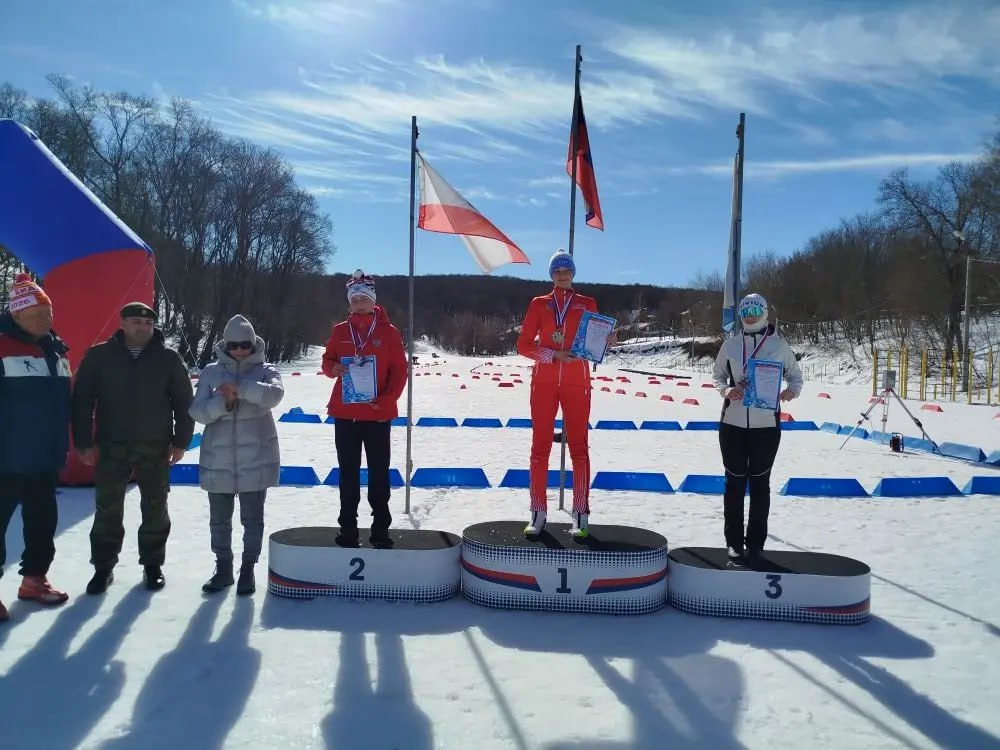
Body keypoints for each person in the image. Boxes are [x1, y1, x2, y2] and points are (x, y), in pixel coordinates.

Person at [72, 301, 195, 593]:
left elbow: (183, 402)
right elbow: (82, 401)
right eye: (136, 322)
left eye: (148, 324)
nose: (143, 328)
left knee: (155, 507)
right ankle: (103, 567)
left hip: (155, 445)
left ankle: (152, 565)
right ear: (123, 324)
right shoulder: (100, 356)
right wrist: (83, 442)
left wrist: (181, 442)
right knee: (107, 508)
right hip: (111, 444)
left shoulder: (167, 358)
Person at [516, 250, 615, 539]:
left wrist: (607, 342)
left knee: (579, 448)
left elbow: (595, 345)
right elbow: (522, 345)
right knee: (540, 448)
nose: (562, 274)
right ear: (551, 274)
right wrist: (553, 355)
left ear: (573, 272)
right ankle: (537, 511)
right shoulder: (539, 304)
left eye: (566, 269)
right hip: (544, 383)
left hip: (577, 383)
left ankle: (580, 513)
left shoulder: (587, 303)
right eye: (557, 270)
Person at [190, 315, 283, 595]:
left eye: (246, 344)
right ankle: (223, 568)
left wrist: (241, 390)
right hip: (218, 461)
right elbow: (196, 411)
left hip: (256, 459)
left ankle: (248, 569)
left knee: (252, 520)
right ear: (225, 344)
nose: (240, 350)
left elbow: (274, 396)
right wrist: (223, 402)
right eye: (234, 345)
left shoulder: (267, 369)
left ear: (254, 344)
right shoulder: (210, 372)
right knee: (219, 520)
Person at [0, 274, 72, 620]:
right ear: (17, 315)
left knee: (43, 521)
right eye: (38, 313)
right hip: (6, 457)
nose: (47, 318)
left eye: (49, 312)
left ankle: (34, 579)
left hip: (45, 456)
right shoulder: (2, 346)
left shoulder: (57, 349)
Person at [712, 293, 802, 565]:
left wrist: (791, 391)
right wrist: (727, 390)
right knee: (734, 483)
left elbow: (795, 375)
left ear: (764, 312)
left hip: (766, 425)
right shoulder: (730, 344)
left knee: (761, 484)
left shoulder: (778, 343)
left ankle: (756, 545)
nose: (750, 315)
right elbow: (717, 376)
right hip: (733, 423)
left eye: (755, 310)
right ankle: (734, 544)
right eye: (745, 310)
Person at [322, 271, 407, 549]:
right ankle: (347, 529)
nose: (359, 302)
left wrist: (387, 400)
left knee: (379, 474)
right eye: (354, 298)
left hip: (377, 415)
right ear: (349, 302)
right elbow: (327, 361)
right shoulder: (339, 331)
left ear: (373, 301)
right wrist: (331, 368)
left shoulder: (389, 332)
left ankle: (380, 529)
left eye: (364, 298)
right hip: (346, 414)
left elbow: (399, 371)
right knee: (348, 474)